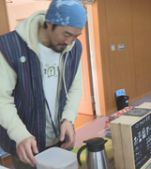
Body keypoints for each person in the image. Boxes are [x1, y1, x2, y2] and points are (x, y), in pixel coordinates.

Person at [0, 0, 86, 168]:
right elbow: (2, 100)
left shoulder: (74, 48)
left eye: (76, 36)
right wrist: (20, 135)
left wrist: (69, 118)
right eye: (66, 34)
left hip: (61, 138)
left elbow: (75, 88)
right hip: (26, 142)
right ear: (49, 23)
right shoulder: (9, 46)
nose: (69, 42)